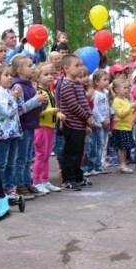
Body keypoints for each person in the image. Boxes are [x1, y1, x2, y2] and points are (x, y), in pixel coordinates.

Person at [11, 55, 47, 198]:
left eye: (33, 65)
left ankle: (27, 182)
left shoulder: (30, 85)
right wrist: (35, 100)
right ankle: (19, 185)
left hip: (30, 125)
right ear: (19, 70)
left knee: (27, 158)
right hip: (23, 126)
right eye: (29, 66)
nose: (33, 68)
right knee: (21, 158)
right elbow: (20, 109)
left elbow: (32, 105)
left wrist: (41, 103)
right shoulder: (18, 86)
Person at [57, 55, 93, 190]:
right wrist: (86, 117)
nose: (80, 68)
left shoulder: (77, 84)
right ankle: (68, 179)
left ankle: (78, 176)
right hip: (72, 124)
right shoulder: (66, 85)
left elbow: (83, 102)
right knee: (71, 153)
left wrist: (89, 115)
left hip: (81, 124)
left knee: (79, 153)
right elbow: (74, 106)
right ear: (66, 68)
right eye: (76, 65)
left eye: (80, 65)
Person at [0, 64, 23, 200]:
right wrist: (13, 97)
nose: (10, 78)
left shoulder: (9, 91)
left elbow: (18, 109)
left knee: (11, 162)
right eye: (6, 75)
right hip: (3, 132)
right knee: (1, 163)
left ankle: (9, 188)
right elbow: (6, 111)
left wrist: (17, 96)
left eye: (11, 75)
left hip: (13, 131)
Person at [31, 64, 61, 194]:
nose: (50, 77)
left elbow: (52, 109)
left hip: (50, 127)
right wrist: (52, 111)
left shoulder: (50, 92)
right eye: (46, 74)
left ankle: (45, 180)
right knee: (40, 155)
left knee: (47, 155)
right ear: (37, 78)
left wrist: (59, 114)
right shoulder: (39, 93)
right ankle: (36, 182)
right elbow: (38, 112)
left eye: (52, 74)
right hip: (41, 127)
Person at [84, 69, 111, 177]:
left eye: (108, 80)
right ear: (96, 82)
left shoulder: (105, 93)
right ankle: (94, 165)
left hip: (105, 121)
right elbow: (94, 109)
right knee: (97, 144)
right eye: (104, 80)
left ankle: (98, 164)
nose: (107, 82)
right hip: (98, 123)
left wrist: (108, 117)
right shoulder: (96, 94)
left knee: (101, 144)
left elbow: (106, 107)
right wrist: (101, 120)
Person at [110, 79, 136, 173]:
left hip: (127, 127)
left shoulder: (125, 99)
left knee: (125, 147)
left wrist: (134, 109)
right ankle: (121, 164)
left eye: (128, 87)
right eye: (124, 87)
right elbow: (121, 114)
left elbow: (129, 113)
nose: (127, 89)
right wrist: (130, 107)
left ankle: (123, 163)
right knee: (122, 147)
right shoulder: (116, 101)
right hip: (121, 127)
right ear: (117, 90)